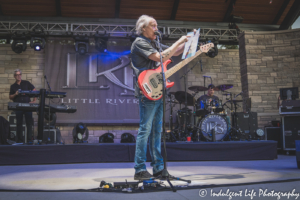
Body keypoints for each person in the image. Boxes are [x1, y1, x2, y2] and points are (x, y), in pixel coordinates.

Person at [131, 15, 191, 180]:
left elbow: (173, 52)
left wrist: (189, 42)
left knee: (157, 131)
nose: (156, 28)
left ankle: (158, 168)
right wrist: (179, 40)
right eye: (153, 25)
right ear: (143, 28)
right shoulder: (140, 42)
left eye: (157, 25)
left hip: (158, 91)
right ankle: (139, 169)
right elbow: (161, 57)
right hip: (147, 91)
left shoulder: (154, 43)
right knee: (145, 130)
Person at [9, 69, 36, 143]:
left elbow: (35, 90)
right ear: (14, 76)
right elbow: (10, 97)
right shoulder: (13, 86)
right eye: (17, 75)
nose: (19, 76)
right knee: (19, 124)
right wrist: (15, 94)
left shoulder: (26, 83)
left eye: (20, 74)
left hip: (27, 106)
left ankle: (29, 140)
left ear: (21, 75)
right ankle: (20, 141)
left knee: (29, 123)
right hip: (18, 107)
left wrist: (34, 100)